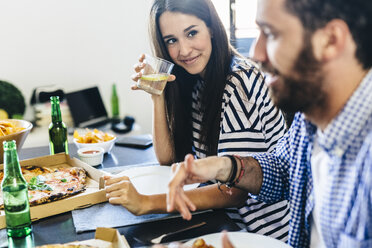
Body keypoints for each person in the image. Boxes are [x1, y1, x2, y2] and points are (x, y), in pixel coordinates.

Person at [166, 0, 372, 247]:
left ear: (330, 39)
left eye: (272, 34)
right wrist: (223, 167)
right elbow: (282, 170)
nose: (256, 53)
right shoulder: (309, 120)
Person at [104, 0, 290, 241]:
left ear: (211, 28)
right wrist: (157, 96)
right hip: (220, 222)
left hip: (260, 233)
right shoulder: (196, 81)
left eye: (191, 33)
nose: (183, 50)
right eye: (172, 40)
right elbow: (168, 159)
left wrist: (146, 203)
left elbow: (236, 191)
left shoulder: (239, 82)